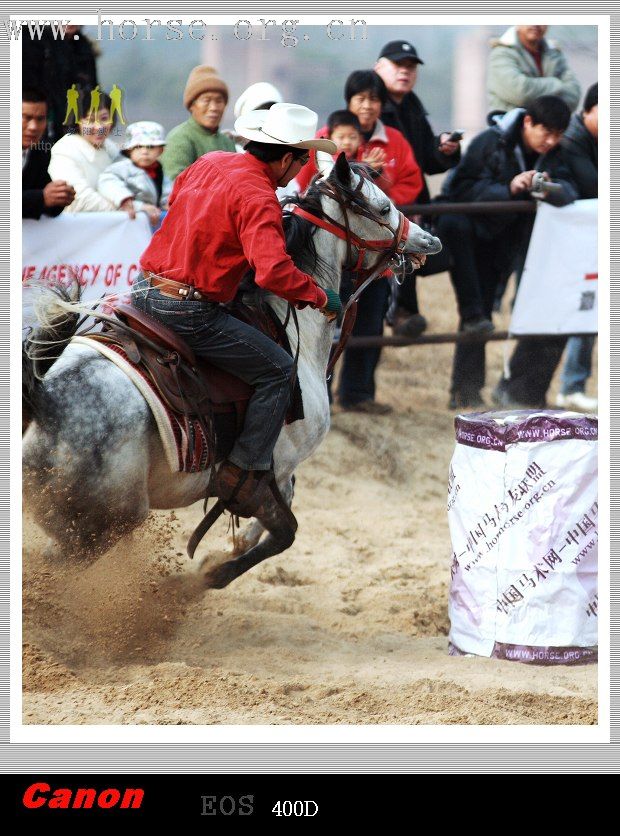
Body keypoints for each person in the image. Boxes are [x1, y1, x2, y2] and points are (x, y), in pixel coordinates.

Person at [135, 103, 342, 514]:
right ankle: (243, 472)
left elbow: (177, 201)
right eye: (301, 159)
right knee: (279, 370)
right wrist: (320, 297)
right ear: (286, 159)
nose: (299, 168)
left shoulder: (209, 161)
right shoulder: (259, 197)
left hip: (142, 293)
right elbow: (273, 273)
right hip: (189, 311)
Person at [435, 96, 577, 409]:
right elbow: (461, 190)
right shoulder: (490, 142)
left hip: (527, 241)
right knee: (479, 314)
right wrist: (510, 189)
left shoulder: (556, 152)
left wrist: (550, 188)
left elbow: (570, 188)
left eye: (558, 134)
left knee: (538, 310)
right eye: (546, 132)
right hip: (483, 238)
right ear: (528, 122)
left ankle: (518, 391)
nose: (551, 141)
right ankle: (465, 393)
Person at [296, 70, 424, 414]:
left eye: (374, 100)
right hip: (333, 254)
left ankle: (358, 393)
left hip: (377, 255)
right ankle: (317, 391)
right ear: (349, 101)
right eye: (360, 99)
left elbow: (412, 182)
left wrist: (381, 204)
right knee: (326, 321)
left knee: (369, 322)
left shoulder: (393, 140)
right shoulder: (326, 139)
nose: (367, 106)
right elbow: (307, 183)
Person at [495, 84, 598, 412]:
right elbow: (590, 185)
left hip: (565, 243)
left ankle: (526, 392)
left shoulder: (564, 145)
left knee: (560, 316)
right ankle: (515, 391)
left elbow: (569, 188)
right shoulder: (569, 143)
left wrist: (553, 188)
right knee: (542, 313)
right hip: (544, 242)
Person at [375, 40, 462, 337]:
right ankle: (395, 315)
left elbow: (426, 158)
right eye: (398, 65)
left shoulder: (412, 106)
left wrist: (444, 149)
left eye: (410, 67)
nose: (405, 72)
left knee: (407, 253)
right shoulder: (371, 106)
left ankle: (403, 314)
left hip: (412, 200)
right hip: (381, 201)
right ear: (379, 68)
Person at [556, 83, 598, 411]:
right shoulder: (570, 142)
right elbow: (593, 186)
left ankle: (574, 384)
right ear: (588, 110)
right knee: (584, 309)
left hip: (590, 239)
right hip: (571, 243)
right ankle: (571, 385)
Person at [48, 90, 126, 213]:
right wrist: (124, 209)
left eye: (104, 118)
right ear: (77, 121)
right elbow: (79, 198)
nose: (99, 127)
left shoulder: (111, 148)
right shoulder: (65, 149)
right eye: (90, 120)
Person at [22, 24, 99, 141]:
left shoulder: (84, 48)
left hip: (70, 123)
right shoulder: (31, 40)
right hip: (37, 117)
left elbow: (92, 90)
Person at [161, 65, 236, 181]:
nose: (213, 107)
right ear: (192, 105)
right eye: (206, 100)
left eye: (219, 101)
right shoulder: (180, 138)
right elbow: (176, 183)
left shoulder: (227, 142)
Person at [487, 25, 581, 115]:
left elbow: (573, 96)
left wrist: (536, 94)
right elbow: (520, 92)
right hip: (511, 127)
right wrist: (556, 84)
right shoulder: (502, 53)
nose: (536, 24)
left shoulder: (554, 53)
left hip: (550, 128)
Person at [98, 121, 172, 227]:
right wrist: (127, 201)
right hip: (128, 220)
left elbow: (166, 191)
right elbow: (107, 181)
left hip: (150, 222)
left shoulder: (159, 171)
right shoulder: (122, 168)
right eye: (138, 147)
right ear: (129, 150)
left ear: (161, 150)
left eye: (150, 147)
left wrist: (168, 203)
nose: (144, 151)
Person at [22, 88, 74, 219]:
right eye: (26, 118)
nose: (33, 127)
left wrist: (61, 196)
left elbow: (46, 199)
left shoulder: (39, 153)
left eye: (40, 119)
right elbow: (41, 197)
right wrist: (41, 198)